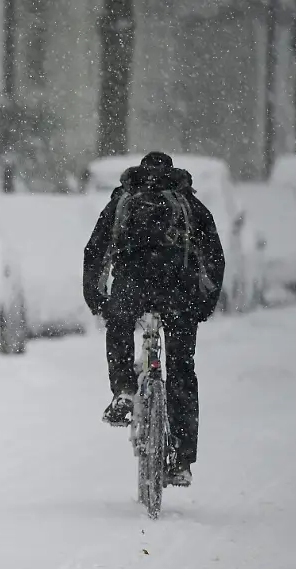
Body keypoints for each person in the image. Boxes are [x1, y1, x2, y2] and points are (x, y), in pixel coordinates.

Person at [81, 151, 225, 487]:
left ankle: (124, 390)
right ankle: (181, 460)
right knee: (182, 371)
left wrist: (97, 299)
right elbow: (214, 255)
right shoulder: (189, 204)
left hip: (132, 287)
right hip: (178, 292)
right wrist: (205, 303)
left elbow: (95, 250)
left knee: (119, 326)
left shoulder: (123, 200)